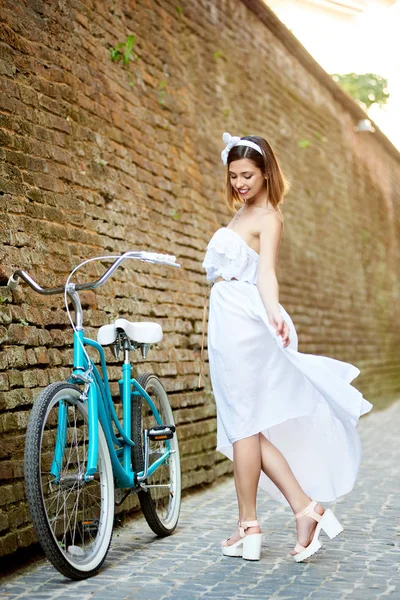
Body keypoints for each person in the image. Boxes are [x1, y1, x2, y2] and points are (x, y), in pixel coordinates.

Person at [201, 132, 372, 562]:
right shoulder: (240, 214)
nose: (240, 183)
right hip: (227, 320)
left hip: (246, 321)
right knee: (249, 426)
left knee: (243, 423)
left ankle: (249, 526)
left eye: (248, 176)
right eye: (234, 175)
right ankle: (303, 507)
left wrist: (274, 312)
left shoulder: (269, 217)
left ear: (266, 174)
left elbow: (267, 274)